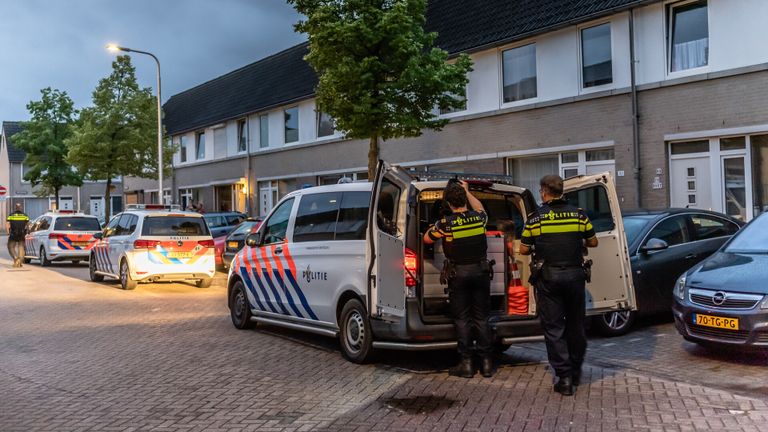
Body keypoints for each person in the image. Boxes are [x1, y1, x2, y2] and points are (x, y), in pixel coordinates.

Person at [518, 175, 598, 396]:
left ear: (544, 191)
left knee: (554, 328)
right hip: (575, 277)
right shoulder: (579, 215)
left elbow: (524, 250)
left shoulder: (536, 219)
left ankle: (563, 378)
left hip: (549, 278)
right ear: (562, 191)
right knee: (576, 325)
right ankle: (575, 370)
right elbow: (593, 241)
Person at [423, 180, 493, 378]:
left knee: (462, 319)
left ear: (448, 204)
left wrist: (432, 227)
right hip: (481, 273)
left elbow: (427, 239)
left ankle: (467, 364)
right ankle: (487, 364)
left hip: (459, 275)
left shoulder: (446, 223)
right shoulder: (479, 219)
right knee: (482, 317)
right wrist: (467, 191)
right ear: (464, 200)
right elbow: (480, 207)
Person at [6, 203, 30, 268]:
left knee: (10, 247)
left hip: (13, 234)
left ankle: (15, 257)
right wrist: (28, 231)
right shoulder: (25, 215)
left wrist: (8, 233)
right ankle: (19, 260)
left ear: (15, 208)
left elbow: (7, 224)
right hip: (22, 234)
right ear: (21, 208)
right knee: (21, 247)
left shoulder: (11, 215)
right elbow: (28, 224)